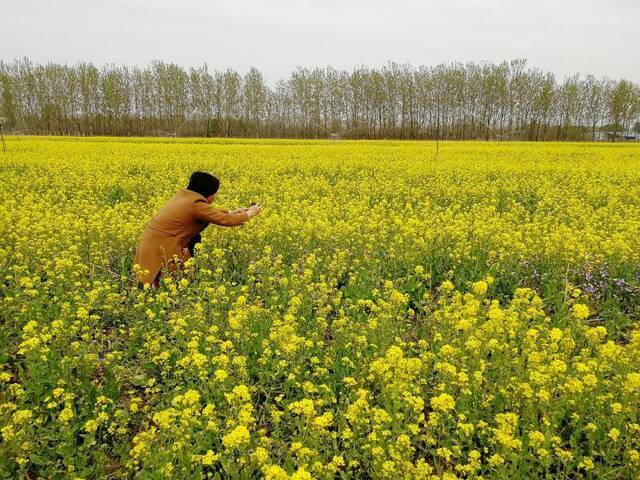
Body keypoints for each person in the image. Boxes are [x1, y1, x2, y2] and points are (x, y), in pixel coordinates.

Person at [133, 171, 262, 286]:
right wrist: (250, 213)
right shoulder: (196, 204)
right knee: (167, 281)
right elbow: (225, 220)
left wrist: (231, 211)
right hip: (164, 245)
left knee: (166, 278)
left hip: (154, 241)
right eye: (215, 193)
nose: (215, 196)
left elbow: (209, 212)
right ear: (208, 192)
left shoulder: (184, 196)